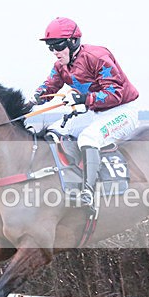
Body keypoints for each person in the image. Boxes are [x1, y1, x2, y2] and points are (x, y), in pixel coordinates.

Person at [30, 17, 140, 209]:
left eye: (58, 45)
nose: (55, 52)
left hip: (121, 110)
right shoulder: (61, 65)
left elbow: (115, 93)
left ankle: (88, 192)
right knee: (55, 132)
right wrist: (36, 97)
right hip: (95, 112)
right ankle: (71, 178)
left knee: (89, 137)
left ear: (73, 42)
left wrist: (83, 99)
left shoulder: (97, 57)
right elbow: (50, 85)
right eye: (50, 47)